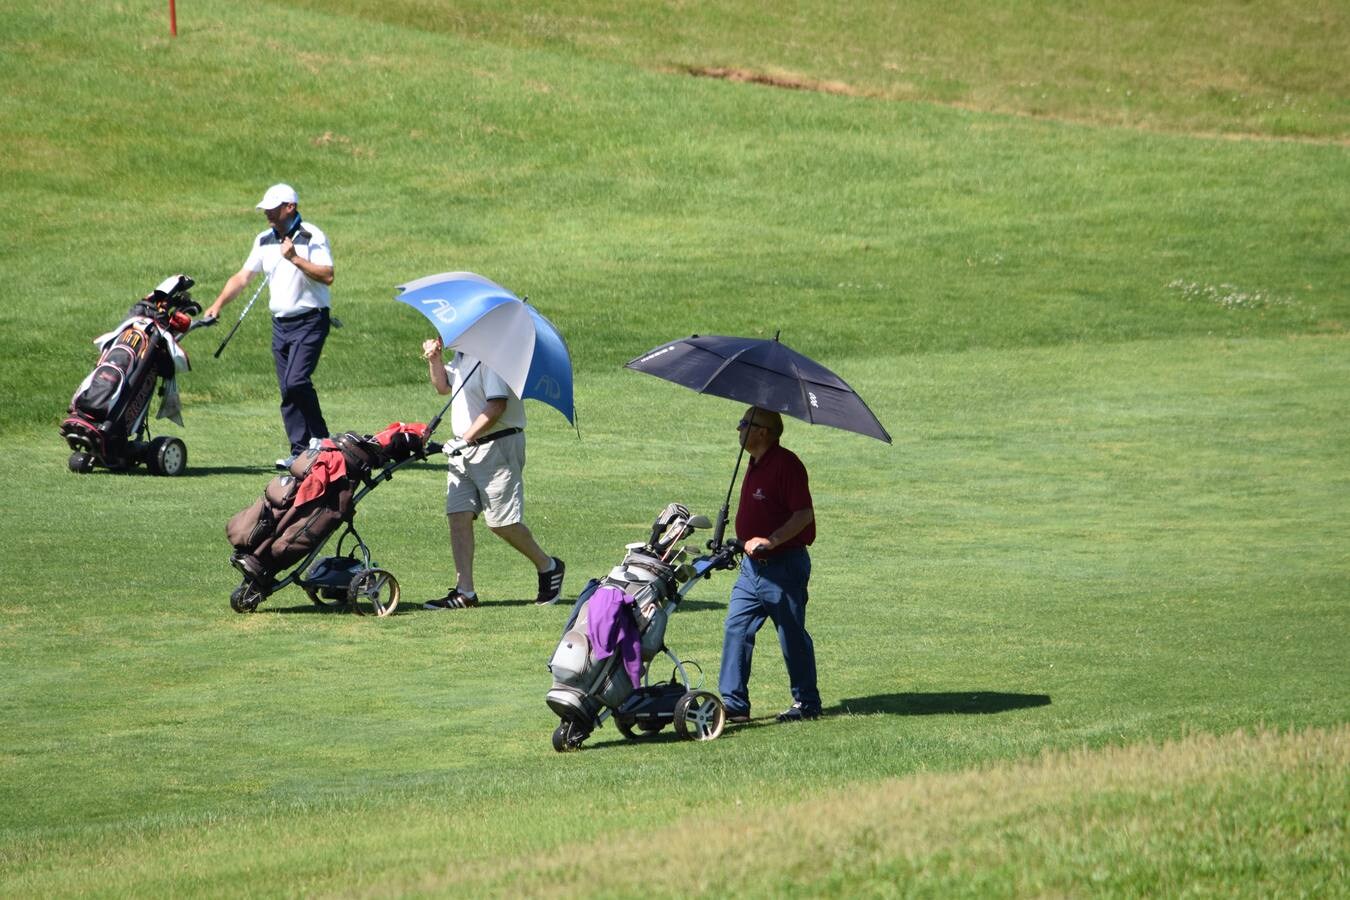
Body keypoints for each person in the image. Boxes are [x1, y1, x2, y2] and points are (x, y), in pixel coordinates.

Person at [420, 337, 565, 609]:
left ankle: (548, 566)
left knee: (501, 523)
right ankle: (466, 592)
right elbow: (443, 387)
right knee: (458, 516)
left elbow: (496, 406)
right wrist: (434, 360)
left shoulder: (493, 358)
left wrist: (466, 437)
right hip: (463, 449)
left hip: (497, 447)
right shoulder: (463, 355)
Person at [204, 183, 334, 469]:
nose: (268, 214)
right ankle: (300, 451)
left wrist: (295, 258)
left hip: (310, 320)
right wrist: (218, 304)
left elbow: (327, 275)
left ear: (290, 207)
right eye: (266, 209)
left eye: (273, 209)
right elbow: (242, 278)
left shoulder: (311, 235)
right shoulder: (264, 239)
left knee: (296, 381)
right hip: (281, 325)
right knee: (287, 389)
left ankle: (323, 442)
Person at [719, 406, 821, 724]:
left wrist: (773, 539)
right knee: (736, 627)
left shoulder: (786, 465)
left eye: (744, 424)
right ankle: (734, 704)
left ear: (763, 432)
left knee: (790, 634)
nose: (739, 428)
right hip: (752, 569)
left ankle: (807, 702)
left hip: (783, 566)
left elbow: (803, 515)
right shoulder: (753, 462)